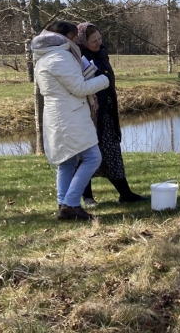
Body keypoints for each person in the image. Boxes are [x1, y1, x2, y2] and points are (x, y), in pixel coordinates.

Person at [31, 21, 110, 220]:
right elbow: (80, 88)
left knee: (67, 162)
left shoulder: (44, 57)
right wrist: (104, 80)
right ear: (62, 37)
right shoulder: (59, 57)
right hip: (69, 116)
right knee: (93, 157)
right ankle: (71, 203)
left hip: (61, 115)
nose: (76, 41)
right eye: (74, 37)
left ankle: (64, 205)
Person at [76, 23, 147, 205]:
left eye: (100, 39)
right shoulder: (78, 58)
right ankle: (88, 196)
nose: (98, 43)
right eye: (94, 41)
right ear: (84, 41)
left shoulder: (102, 54)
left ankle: (125, 193)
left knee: (111, 151)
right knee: (87, 153)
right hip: (89, 113)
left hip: (107, 111)